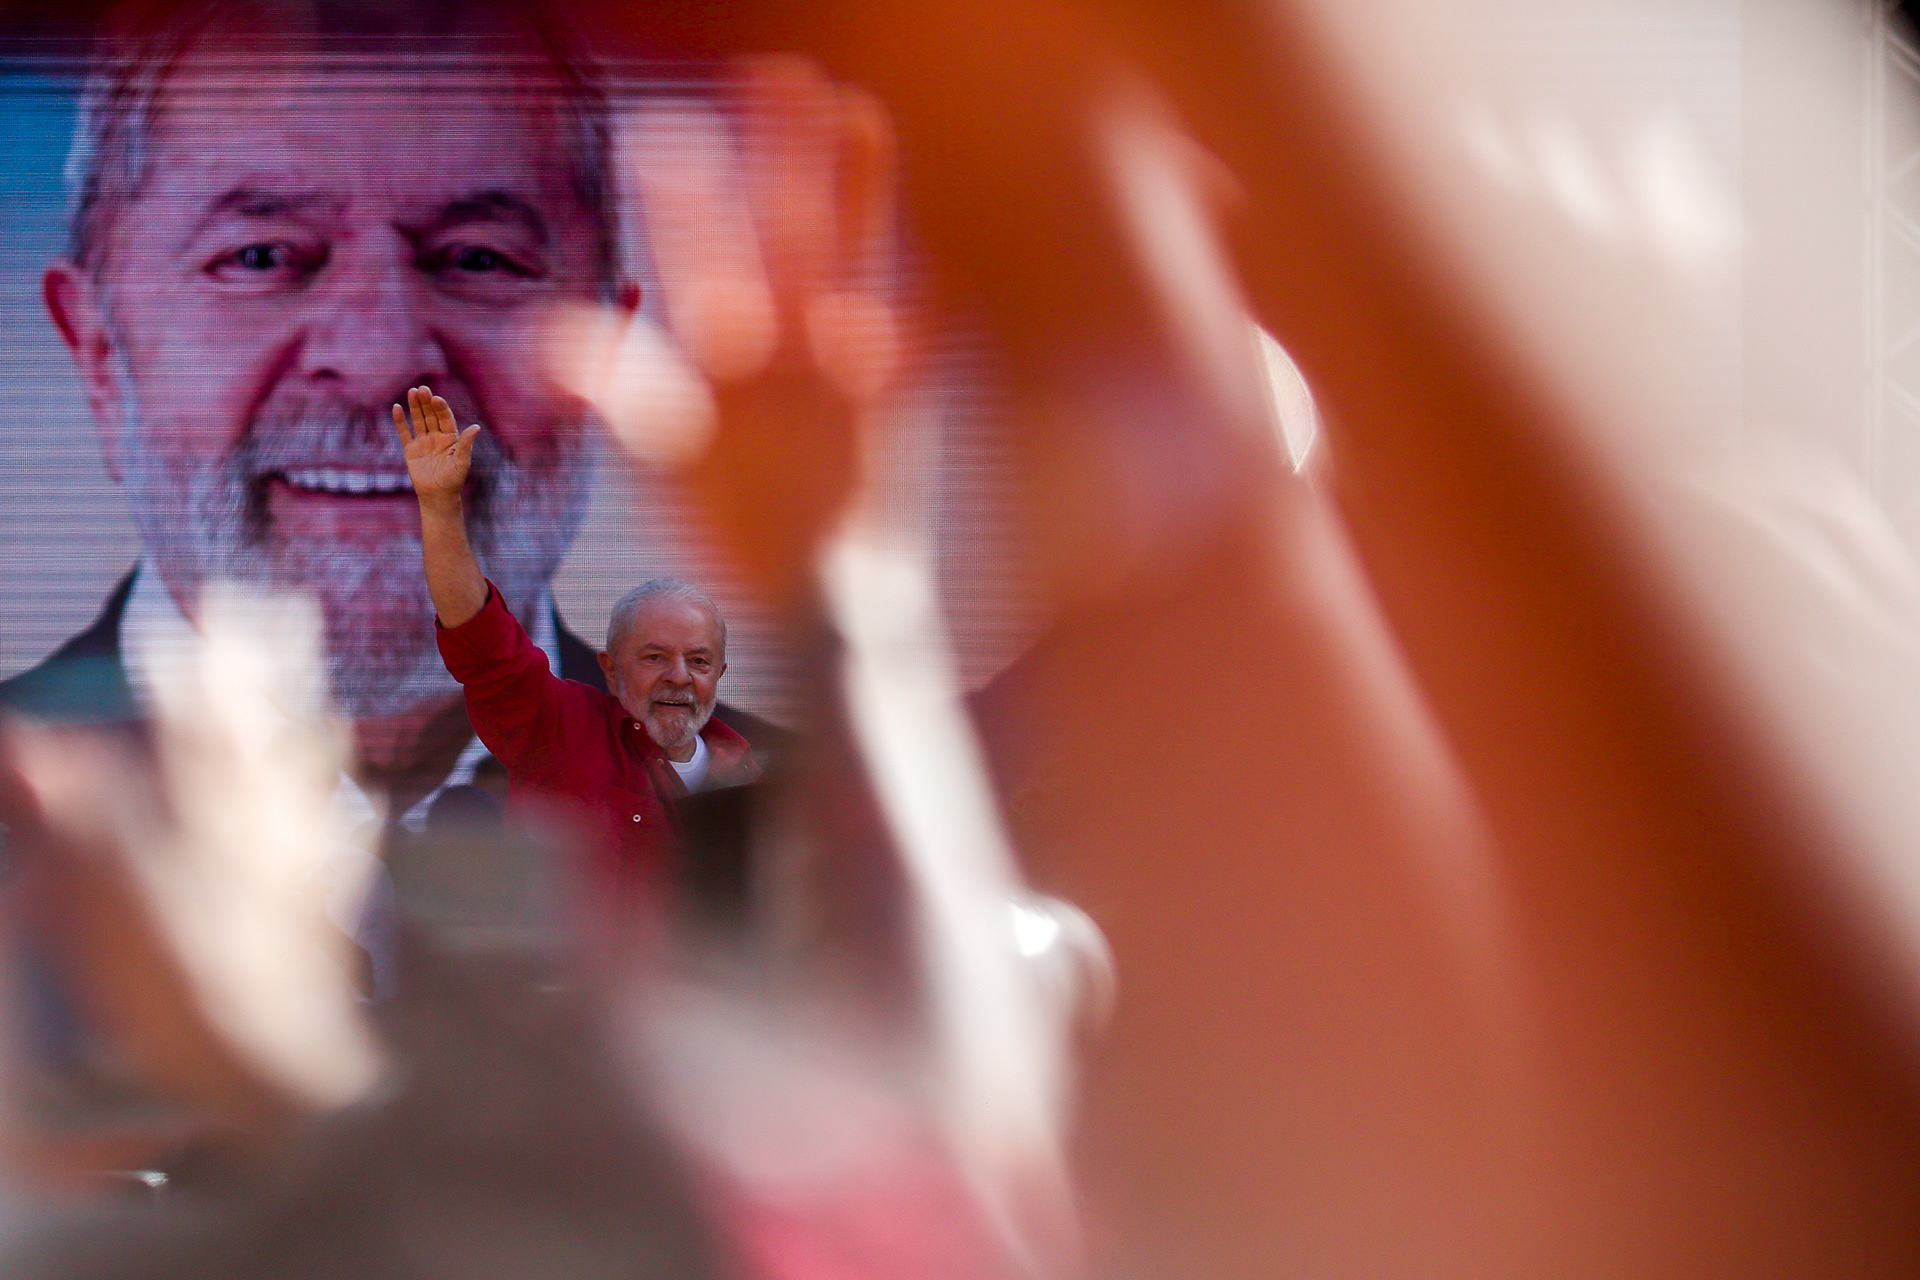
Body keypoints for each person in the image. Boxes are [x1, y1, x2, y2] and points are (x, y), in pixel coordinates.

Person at [0, 0, 778, 834]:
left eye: (479, 258)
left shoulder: (797, 824)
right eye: (260, 257)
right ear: (97, 352)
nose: (380, 360)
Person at [401, 385, 761, 918]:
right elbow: (481, 642)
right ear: (610, 671)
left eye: (699, 662)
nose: (680, 677)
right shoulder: (560, 728)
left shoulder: (750, 777)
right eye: (655, 658)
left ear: (720, 673)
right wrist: (439, 507)